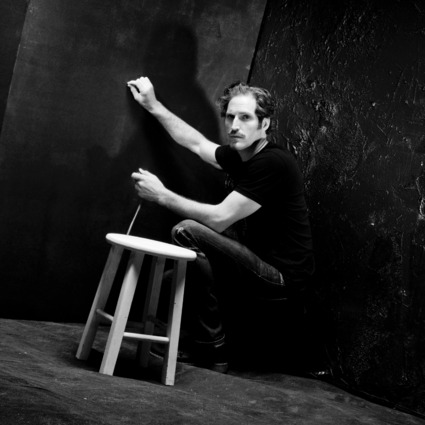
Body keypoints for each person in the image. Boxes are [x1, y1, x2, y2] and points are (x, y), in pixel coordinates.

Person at [127, 76, 315, 373]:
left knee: (186, 230)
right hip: (253, 260)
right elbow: (197, 143)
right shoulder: (241, 155)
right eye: (230, 117)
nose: (234, 125)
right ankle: (196, 343)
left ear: (264, 124)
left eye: (245, 117)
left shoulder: (273, 162)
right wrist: (153, 105)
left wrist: (161, 195)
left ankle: (211, 348)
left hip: (281, 278)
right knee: (183, 268)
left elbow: (218, 218)